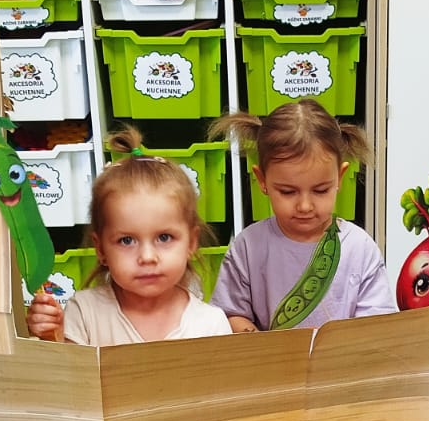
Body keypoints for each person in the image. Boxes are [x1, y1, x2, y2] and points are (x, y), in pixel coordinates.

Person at [26, 126, 231, 345]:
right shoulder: (84, 313)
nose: (147, 257)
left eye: (164, 238)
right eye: (127, 240)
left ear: (191, 242)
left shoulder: (211, 325)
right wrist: (51, 337)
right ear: (101, 249)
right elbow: (68, 367)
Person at [208, 100, 395, 332]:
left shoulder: (360, 249)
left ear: (340, 177)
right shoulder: (247, 248)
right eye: (288, 192)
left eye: (320, 190)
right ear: (262, 180)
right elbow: (229, 315)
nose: (305, 206)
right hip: (273, 356)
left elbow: (377, 326)